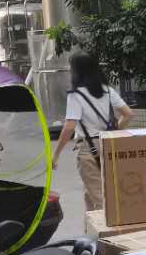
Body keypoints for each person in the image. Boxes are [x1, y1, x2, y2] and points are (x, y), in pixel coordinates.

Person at [52, 53, 134, 214]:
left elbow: (69, 127)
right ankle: (92, 228)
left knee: (99, 198)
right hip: (109, 144)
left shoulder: (76, 95)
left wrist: (55, 155)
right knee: (91, 195)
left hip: (88, 149)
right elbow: (128, 114)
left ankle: (111, 228)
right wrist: (115, 131)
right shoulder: (108, 91)